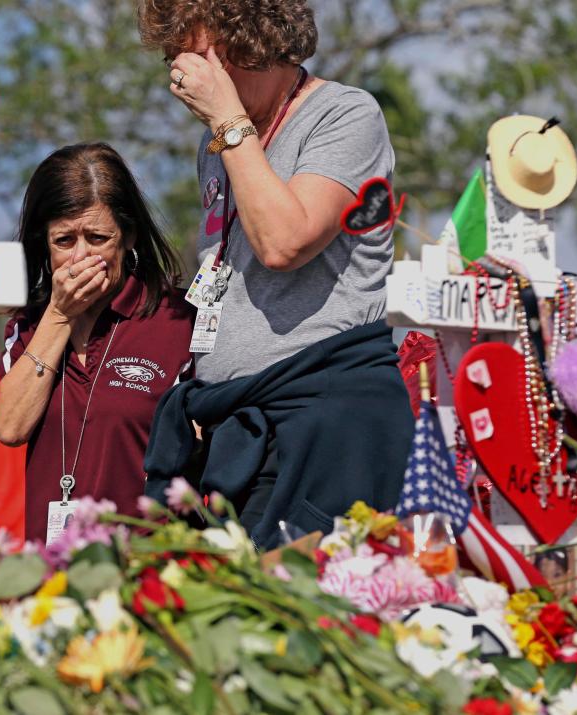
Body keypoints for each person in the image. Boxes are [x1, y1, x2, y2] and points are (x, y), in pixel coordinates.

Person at [138, 0, 414, 549]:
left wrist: (228, 122)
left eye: (195, 56)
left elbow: (284, 242)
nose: (181, 77)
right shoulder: (216, 146)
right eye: (174, 59)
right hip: (235, 427)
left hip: (322, 423)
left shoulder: (345, 114)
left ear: (249, 40)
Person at [0, 143, 195, 542]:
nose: (82, 258)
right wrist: (59, 315)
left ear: (128, 236)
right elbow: (10, 426)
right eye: (64, 241)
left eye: (98, 238)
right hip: (49, 579)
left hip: (147, 572)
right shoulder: (29, 327)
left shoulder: (178, 322)